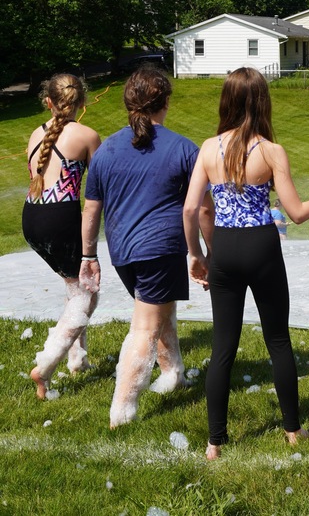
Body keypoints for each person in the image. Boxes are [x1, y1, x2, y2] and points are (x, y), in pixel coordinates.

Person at [183, 67, 309, 461]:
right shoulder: (271, 151)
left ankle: (214, 443)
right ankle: (292, 430)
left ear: (227, 101)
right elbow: (297, 212)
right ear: (261, 102)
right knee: (277, 340)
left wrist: (199, 255)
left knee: (223, 348)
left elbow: (193, 209)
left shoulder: (207, 148)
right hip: (262, 245)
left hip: (225, 248)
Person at [81, 66, 212, 428]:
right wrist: (207, 253)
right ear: (165, 102)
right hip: (159, 249)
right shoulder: (185, 148)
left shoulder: (106, 150)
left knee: (157, 311)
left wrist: (88, 255)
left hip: (122, 252)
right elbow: (203, 208)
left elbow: (91, 209)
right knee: (145, 328)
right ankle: (122, 410)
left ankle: (173, 374)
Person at [23, 73, 101, 399]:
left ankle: (77, 359)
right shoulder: (87, 135)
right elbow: (100, 191)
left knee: (73, 286)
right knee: (88, 293)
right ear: (82, 102)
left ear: (48, 102)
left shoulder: (33, 134)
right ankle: (46, 364)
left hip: (32, 219)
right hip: (60, 218)